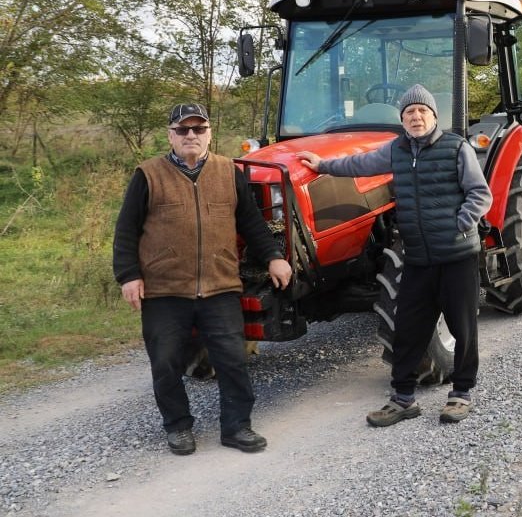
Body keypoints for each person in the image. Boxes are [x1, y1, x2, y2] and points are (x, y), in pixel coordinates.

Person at [296, 84, 492, 426]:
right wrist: (323, 165)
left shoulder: (455, 147)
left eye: (422, 112)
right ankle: (403, 398)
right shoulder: (396, 150)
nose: (416, 117)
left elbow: (479, 193)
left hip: (456, 255)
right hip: (417, 256)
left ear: (433, 116)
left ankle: (461, 393)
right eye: (409, 113)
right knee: (407, 328)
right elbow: (358, 163)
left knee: (463, 327)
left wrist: (461, 224)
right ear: (402, 119)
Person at [113, 103, 292, 455]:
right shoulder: (148, 175)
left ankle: (237, 427)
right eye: (183, 130)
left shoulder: (228, 171)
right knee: (165, 362)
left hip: (219, 285)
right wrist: (129, 276)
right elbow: (126, 231)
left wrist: (273, 257)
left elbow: (252, 223)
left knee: (232, 360)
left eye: (198, 129)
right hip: (165, 289)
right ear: (170, 135)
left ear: (210, 133)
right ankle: (178, 428)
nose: (191, 136)